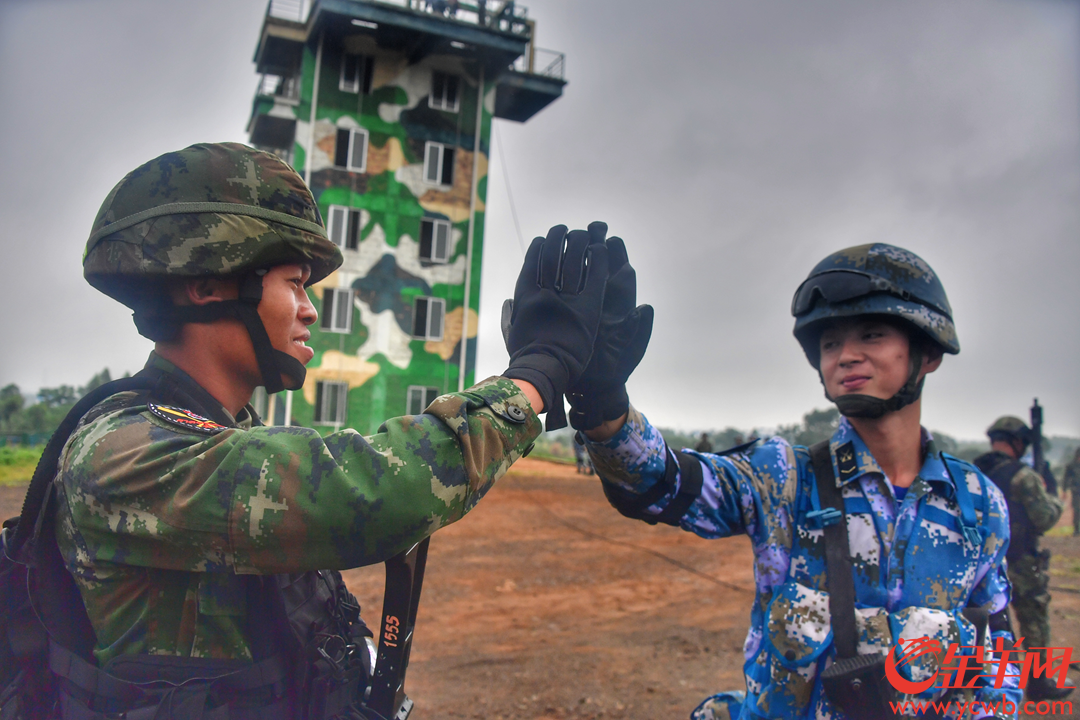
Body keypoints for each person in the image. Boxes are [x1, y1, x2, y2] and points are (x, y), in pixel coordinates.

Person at [24, 142, 610, 718]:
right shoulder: (126, 453)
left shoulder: (221, 436)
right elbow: (381, 488)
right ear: (206, 283)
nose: (310, 310)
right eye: (294, 283)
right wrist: (539, 373)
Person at [570, 241, 1024, 719]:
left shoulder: (977, 504)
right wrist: (603, 407)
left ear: (927, 352)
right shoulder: (785, 477)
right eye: (830, 343)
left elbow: (998, 661)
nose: (846, 356)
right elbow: (662, 483)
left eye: (871, 335)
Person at [973, 418, 1073, 702]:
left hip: (984, 564)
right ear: (1018, 442)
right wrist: (1054, 498)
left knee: (992, 628)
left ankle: (993, 686)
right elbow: (1044, 517)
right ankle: (1039, 685)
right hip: (1020, 561)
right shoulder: (1023, 476)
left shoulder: (976, 472)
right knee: (1034, 623)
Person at [1064, 447, 1080, 537]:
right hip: (1076, 491)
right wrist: (1064, 490)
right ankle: (1077, 530)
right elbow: (1066, 478)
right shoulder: (1071, 466)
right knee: (1077, 510)